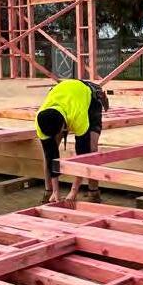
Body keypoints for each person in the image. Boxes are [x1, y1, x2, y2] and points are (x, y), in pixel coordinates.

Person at [35, 79, 109, 208]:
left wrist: (74, 191)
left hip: (88, 98)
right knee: (48, 152)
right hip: (65, 96)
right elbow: (51, 155)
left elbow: (82, 155)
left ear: (63, 127)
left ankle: (93, 192)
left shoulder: (78, 116)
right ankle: (49, 192)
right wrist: (56, 191)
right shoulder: (40, 120)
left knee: (91, 149)